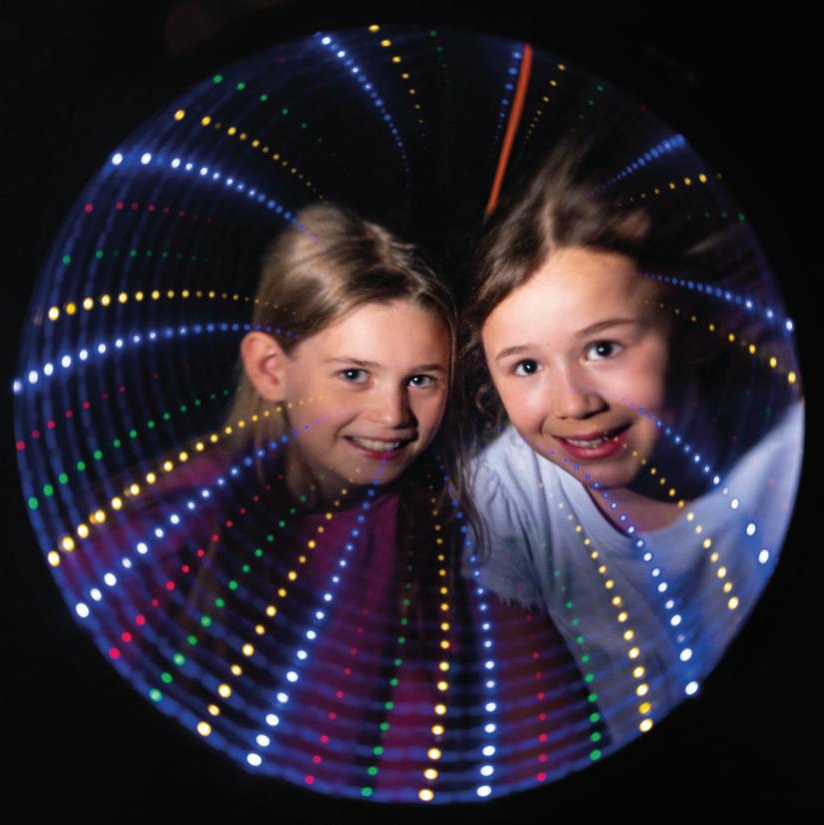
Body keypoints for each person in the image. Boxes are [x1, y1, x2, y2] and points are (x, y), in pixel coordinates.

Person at [62, 202, 602, 802]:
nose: (392, 415)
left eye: (421, 380)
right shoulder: (158, 540)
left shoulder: (455, 523)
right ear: (271, 369)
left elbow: (553, 732)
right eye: (354, 375)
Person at [462, 141, 805, 748]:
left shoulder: (787, 454)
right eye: (525, 367)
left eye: (604, 349)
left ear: (696, 327)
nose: (573, 404)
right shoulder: (503, 494)